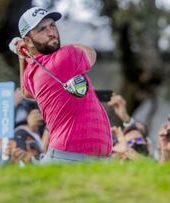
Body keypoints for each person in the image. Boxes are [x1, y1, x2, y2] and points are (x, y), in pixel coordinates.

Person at [10, 7, 112, 163]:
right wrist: (26, 54)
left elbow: (26, 91)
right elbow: (91, 53)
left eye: (52, 25)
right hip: (70, 157)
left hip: (73, 155)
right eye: (42, 29)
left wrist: (23, 56)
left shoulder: (33, 71)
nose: (51, 32)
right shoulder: (65, 56)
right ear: (28, 41)